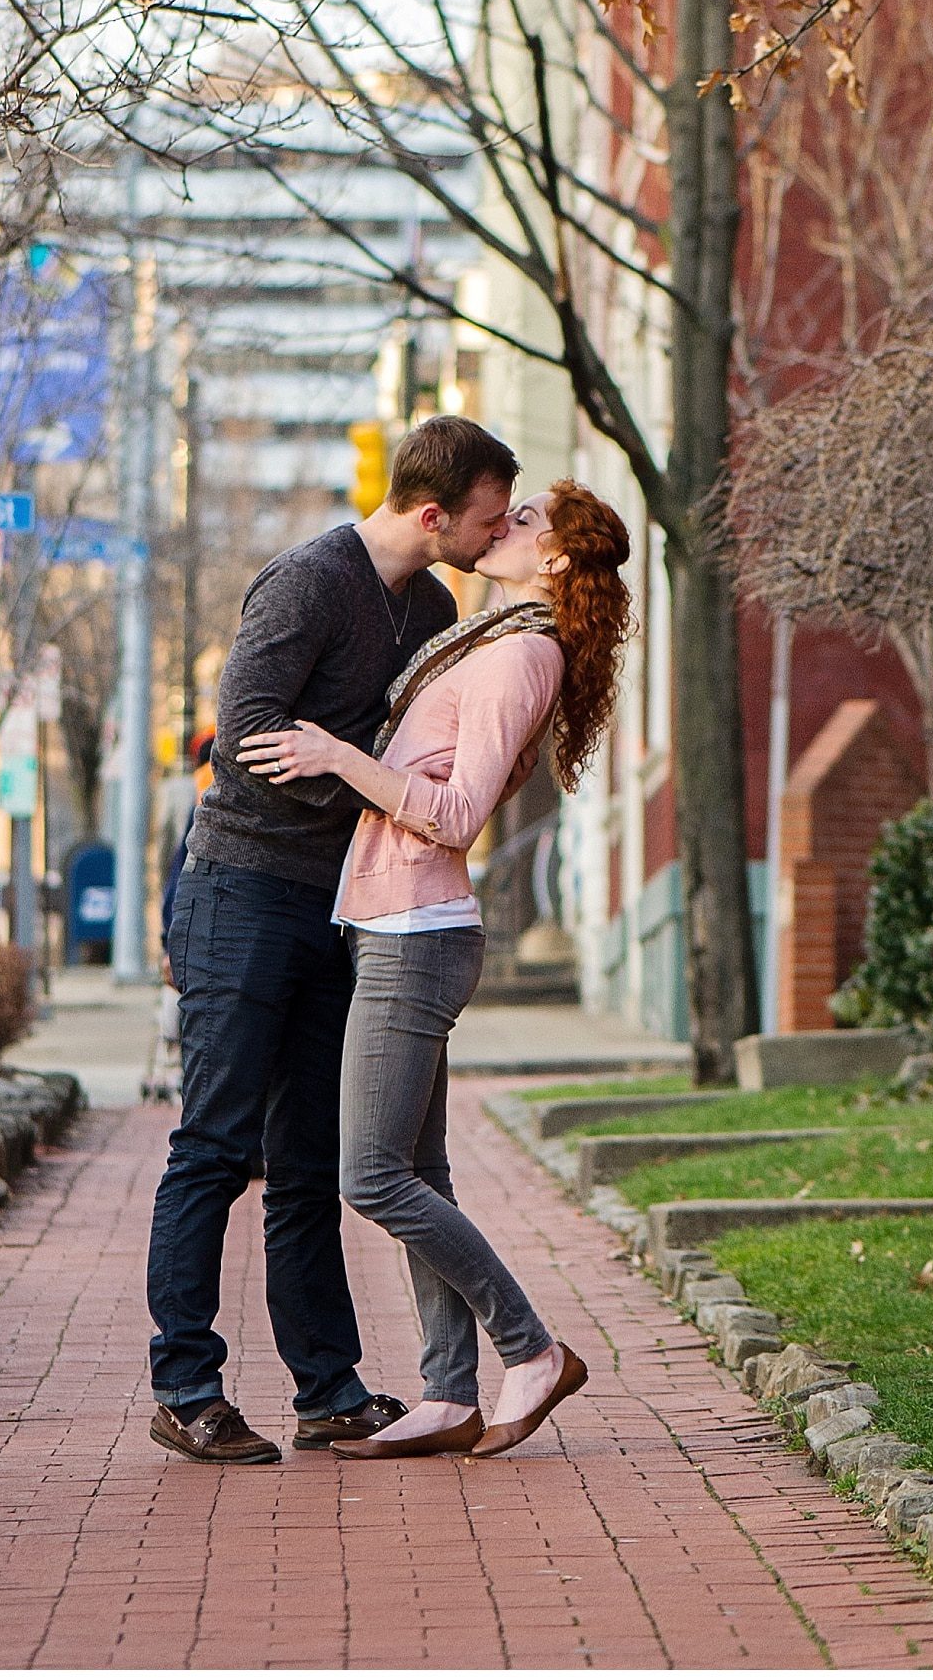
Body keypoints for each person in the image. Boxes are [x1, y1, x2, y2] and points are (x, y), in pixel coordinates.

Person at [146, 414, 519, 1465]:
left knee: (309, 1161)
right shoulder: (308, 581)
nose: (495, 540)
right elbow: (249, 738)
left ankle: (328, 1391)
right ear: (433, 510)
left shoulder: (436, 606)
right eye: (486, 521)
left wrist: (374, 775)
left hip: (341, 905)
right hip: (241, 888)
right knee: (216, 1145)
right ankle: (185, 1386)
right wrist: (378, 775)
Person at [239, 480, 630, 1459]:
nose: (506, 522)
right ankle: (449, 1391)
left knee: (368, 1173)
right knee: (416, 1167)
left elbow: (456, 815)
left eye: (528, 518)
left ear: (557, 562)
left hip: (418, 927)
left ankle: (528, 1348)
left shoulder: (523, 654)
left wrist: (333, 753)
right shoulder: (490, 637)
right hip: (388, 918)